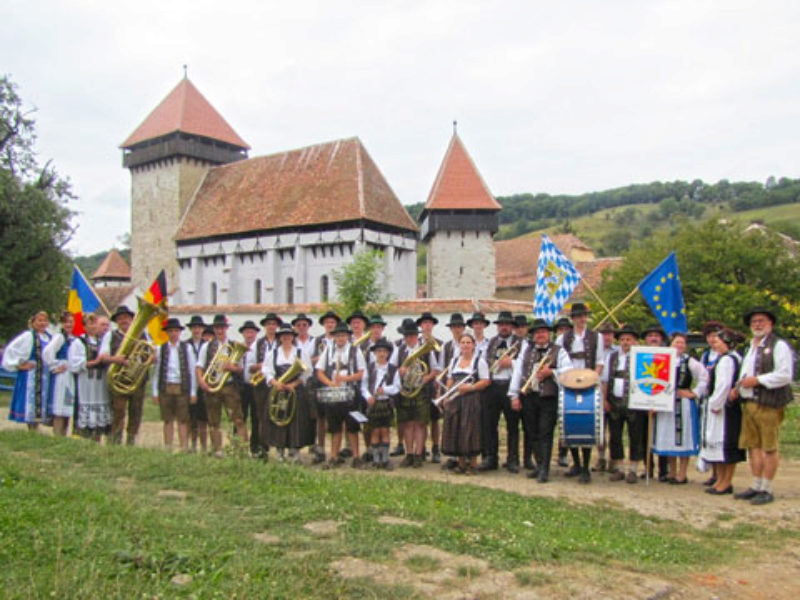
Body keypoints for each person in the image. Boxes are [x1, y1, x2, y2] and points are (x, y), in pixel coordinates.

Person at [731, 307, 795, 505]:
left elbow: (785, 374)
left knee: (769, 447)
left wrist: (758, 380)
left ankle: (767, 487)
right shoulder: (751, 346)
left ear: (770, 324)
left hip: (769, 403)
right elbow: (746, 373)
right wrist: (738, 387)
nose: (757, 325)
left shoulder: (779, 346)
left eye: (761, 321)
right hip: (749, 401)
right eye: (754, 322)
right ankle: (756, 484)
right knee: (753, 446)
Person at [508, 318, 573, 483]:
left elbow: (569, 370)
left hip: (548, 398)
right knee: (531, 432)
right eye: (537, 333)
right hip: (529, 396)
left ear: (549, 334)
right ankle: (539, 465)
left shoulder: (559, 351)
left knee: (545, 432)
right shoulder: (527, 350)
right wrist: (514, 395)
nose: (540, 335)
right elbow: (517, 373)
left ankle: (545, 468)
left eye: (543, 332)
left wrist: (551, 372)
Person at [556, 303, 606, 482]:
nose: (581, 319)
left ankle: (585, 467)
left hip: (589, 385)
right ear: (573, 319)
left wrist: (592, 379)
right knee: (570, 423)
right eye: (578, 316)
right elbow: (558, 361)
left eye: (584, 316)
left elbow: (600, 362)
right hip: (569, 383)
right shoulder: (563, 338)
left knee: (587, 423)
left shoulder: (596, 337)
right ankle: (576, 463)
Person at [651, 332, 708, 484]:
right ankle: (672, 471)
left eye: (682, 343)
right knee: (669, 437)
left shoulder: (689, 362)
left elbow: (704, 377)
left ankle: (682, 474)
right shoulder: (662, 360)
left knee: (683, 438)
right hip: (666, 404)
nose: (679, 345)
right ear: (671, 344)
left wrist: (694, 393)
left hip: (683, 405)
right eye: (677, 342)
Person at [700, 327, 746, 495]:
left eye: (718, 340)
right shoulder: (728, 358)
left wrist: (715, 404)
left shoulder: (728, 360)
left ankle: (726, 481)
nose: (714, 343)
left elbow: (723, 385)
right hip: (723, 407)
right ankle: (721, 479)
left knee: (726, 444)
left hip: (725, 409)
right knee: (718, 445)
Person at [195, 314, 248, 457]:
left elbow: (241, 368)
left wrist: (232, 367)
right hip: (212, 385)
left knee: (238, 419)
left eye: (222, 328)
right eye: (217, 328)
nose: (220, 331)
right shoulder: (206, 346)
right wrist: (201, 381)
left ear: (226, 329)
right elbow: (199, 366)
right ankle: (217, 450)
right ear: (214, 329)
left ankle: (242, 449)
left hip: (230, 386)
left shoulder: (234, 346)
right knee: (214, 420)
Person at [316, 321, 365, 468]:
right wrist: (330, 383)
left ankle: (356, 457)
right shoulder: (328, 350)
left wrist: (345, 378)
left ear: (348, 337)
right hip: (334, 392)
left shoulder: (355, 350)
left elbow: (361, 373)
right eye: (338, 336)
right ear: (334, 337)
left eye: (343, 335)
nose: (340, 338)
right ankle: (334, 456)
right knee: (335, 427)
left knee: (352, 427)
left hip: (350, 393)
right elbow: (319, 371)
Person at [262, 323, 314, 461]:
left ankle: (295, 450)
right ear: (280, 337)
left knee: (296, 420)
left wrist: (294, 384)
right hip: (278, 390)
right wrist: (275, 383)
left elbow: (307, 372)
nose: (286, 337)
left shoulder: (301, 352)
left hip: (295, 390)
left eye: (289, 335)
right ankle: (280, 451)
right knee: (278, 418)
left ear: (293, 337)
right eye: (283, 335)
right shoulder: (272, 353)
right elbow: (267, 372)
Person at [441, 333, 491, 475]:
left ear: (473, 345)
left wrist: (471, 387)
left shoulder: (479, 361)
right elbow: (450, 378)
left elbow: (486, 381)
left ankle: (473, 465)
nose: (465, 345)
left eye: (468, 342)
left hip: (471, 399)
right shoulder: (455, 360)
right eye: (463, 342)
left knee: (470, 430)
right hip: (456, 400)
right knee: (457, 429)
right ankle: (462, 464)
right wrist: (447, 393)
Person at [603, 325, 646, 483]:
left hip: (635, 403)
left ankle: (633, 469)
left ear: (635, 341)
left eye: (628, 339)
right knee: (615, 436)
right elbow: (606, 380)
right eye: (622, 339)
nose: (625, 342)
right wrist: (605, 399)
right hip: (615, 402)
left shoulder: (642, 356)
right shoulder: (612, 357)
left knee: (635, 437)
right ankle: (619, 468)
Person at [481, 311, 522, 473]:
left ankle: (513, 459)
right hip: (493, 386)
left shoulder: (521, 343)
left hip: (511, 386)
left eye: (506, 324)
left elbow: (526, 362)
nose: (503, 327)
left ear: (512, 326)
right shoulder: (489, 343)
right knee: (490, 424)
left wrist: (511, 362)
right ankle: (491, 458)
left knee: (513, 425)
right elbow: (484, 362)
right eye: (501, 324)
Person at [394, 318, 439, 467]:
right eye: (406, 336)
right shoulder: (399, 350)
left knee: (420, 424)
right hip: (406, 391)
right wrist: (399, 371)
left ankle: (419, 454)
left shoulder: (426, 349)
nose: (409, 338)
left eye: (412, 335)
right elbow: (392, 368)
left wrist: (426, 378)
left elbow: (435, 369)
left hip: (421, 391)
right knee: (407, 423)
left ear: (416, 335)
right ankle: (409, 454)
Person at [104, 305, 150, 446]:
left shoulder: (143, 334)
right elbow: (104, 356)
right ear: (117, 321)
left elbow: (152, 352)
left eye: (127, 318)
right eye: (121, 318)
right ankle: (115, 439)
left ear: (132, 319)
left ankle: (131, 440)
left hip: (137, 380)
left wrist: (150, 358)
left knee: (136, 410)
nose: (124, 320)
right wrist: (116, 359)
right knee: (118, 410)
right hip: (118, 380)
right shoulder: (110, 335)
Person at [151, 318, 197, 452]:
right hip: (166, 386)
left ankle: (184, 446)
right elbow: (156, 371)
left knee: (183, 419)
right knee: (167, 419)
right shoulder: (161, 349)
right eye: (171, 331)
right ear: (167, 333)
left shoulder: (187, 348)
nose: (173, 334)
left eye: (176, 331)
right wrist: (154, 392)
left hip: (182, 387)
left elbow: (192, 370)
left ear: (180, 332)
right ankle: (168, 447)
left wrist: (193, 392)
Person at [3, 311, 52, 429]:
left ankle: (37, 427)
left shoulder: (50, 337)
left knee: (43, 400)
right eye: (39, 320)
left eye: (45, 320)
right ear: (33, 322)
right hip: (31, 374)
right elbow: (11, 349)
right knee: (32, 402)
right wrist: (19, 365)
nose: (42, 323)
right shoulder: (28, 336)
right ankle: (32, 428)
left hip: (45, 374)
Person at [68, 313, 111, 442]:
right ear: (84, 326)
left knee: (100, 411)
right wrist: (95, 362)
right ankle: (84, 438)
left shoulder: (103, 341)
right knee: (86, 409)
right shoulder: (79, 341)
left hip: (101, 381)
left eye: (95, 323)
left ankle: (97, 438)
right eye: (90, 323)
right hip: (86, 380)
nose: (93, 326)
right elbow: (74, 363)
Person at [361, 338, 401, 470]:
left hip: (386, 402)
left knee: (385, 430)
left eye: (384, 351)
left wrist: (385, 390)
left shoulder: (393, 369)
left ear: (388, 353)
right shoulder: (370, 367)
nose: (382, 354)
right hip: (373, 402)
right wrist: (368, 397)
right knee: (374, 431)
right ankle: (376, 459)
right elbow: (363, 386)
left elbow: (397, 387)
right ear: (375, 353)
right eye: (379, 351)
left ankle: (384, 459)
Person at [311, 310, 340, 463]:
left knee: (338, 417)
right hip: (321, 382)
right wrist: (320, 358)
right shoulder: (316, 341)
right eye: (327, 322)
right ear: (324, 325)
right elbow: (308, 361)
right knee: (321, 417)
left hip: (337, 382)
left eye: (333, 322)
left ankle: (338, 450)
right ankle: (321, 448)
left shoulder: (341, 341)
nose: (330, 325)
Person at [641, 324, 670, 481]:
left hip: (662, 401)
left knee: (662, 435)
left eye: (656, 336)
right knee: (645, 437)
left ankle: (663, 470)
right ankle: (648, 468)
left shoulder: (667, 355)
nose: (653, 338)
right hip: (643, 399)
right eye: (650, 335)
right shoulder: (641, 355)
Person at [438, 313, 466, 471]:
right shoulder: (446, 346)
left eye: (459, 327)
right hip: (450, 385)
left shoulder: (469, 344)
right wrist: (441, 393)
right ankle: (452, 456)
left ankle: (464, 455)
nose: (456, 329)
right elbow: (442, 370)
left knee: (465, 422)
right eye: (454, 327)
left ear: (463, 328)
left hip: (464, 387)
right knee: (451, 422)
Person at [43, 311, 76, 436]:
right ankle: (57, 434)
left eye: (71, 322)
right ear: (62, 323)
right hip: (62, 375)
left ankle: (63, 433)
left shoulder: (71, 338)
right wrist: (55, 366)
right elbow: (47, 352)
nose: (69, 325)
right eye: (66, 322)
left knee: (67, 405)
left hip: (69, 373)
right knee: (59, 406)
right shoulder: (59, 337)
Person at [417, 311, 443, 463]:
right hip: (417, 387)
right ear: (421, 325)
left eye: (429, 323)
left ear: (432, 325)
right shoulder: (415, 342)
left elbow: (440, 367)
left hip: (432, 385)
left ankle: (435, 447)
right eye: (424, 323)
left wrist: (429, 378)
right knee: (421, 419)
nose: (427, 325)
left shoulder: (439, 344)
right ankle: (421, 448)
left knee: (435, 419)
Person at [592, 321, 618, 472]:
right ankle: (601, 458)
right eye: (603, 334)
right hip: (597, 392)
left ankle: (614, 460)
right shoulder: (595, 351)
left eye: (609, 334)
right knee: (599, 429)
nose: (606, 337)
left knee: (615, 431)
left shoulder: (619, 351)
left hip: (615, 393)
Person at [185, 315, 209, 453]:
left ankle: (204, 446)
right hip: (189, 385)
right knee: (191, 417)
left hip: (204, 384)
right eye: (194, 328)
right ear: (191, 329)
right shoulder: (185, 344)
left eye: (199, 327)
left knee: (203, 418)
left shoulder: (207, 345)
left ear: (203, 329)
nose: (197, 330)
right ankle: (192, 445)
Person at [240, 319, 263, 456]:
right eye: (247, 332)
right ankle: (239, 447)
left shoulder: (259, 346)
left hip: (256, 386)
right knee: (240, 417)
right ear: (243, 334)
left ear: (255, 334)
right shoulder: (237, 347)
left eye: (252, 332)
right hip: (241, 386)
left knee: (256, 417)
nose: (249, 334)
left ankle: (255, 447)